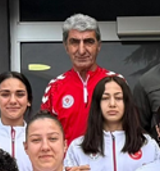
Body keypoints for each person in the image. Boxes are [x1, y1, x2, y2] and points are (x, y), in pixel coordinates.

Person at [39, 14, 117, 143]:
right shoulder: (55, 87)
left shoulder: (116, 83)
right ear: (66, 47)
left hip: (108, 156)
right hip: (67, 156)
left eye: (88, 42)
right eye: (74, 42)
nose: (81, 50)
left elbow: (129, 127)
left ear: (99, 46)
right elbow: (44, 134)